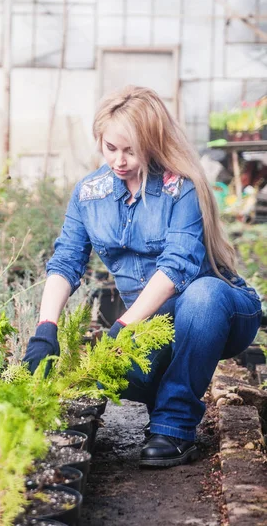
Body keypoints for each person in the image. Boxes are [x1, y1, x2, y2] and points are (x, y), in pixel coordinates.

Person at [23, 85, 262, 468]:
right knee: (111, 373)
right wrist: (45, 328)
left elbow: (176, 267)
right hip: (154, 321)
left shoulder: (181, 188)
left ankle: (174, 426)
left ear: (152, 142)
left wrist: (122, 326)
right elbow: (66, 260)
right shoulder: (89, 194)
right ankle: (167, 394)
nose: (119, 160)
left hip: (221, 311)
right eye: (110, 147)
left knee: (201, 296)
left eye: (130, 150)